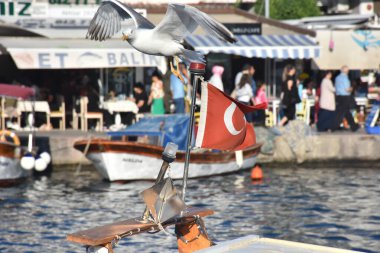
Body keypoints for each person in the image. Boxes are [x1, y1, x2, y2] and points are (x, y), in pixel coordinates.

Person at [333, 66, 359, 131]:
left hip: (338, 97)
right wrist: (352, 88)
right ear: (346, 71)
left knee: (346, 112)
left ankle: (354, 126)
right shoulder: (345, 78)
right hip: (345, 97)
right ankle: (333, 126)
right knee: (341, 113)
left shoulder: (337, 78)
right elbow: (347, 89)